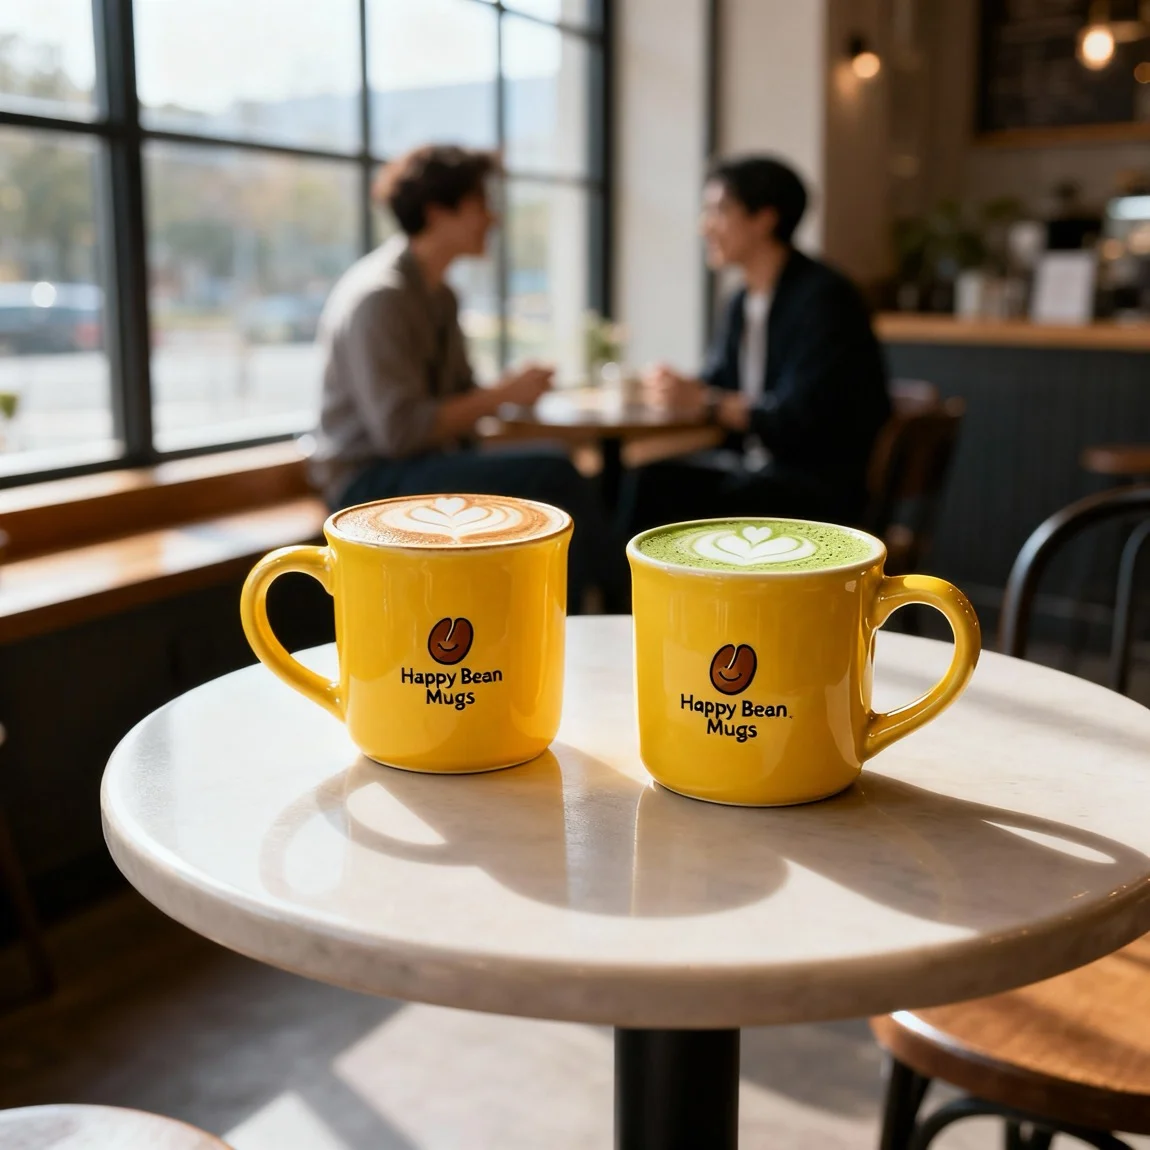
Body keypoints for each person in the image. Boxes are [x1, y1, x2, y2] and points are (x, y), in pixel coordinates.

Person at [310, 144, 603, 610]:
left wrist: (511, 393)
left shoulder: (439, 295)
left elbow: (463, 400)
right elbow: (400, 433)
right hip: (367, 482)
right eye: (480, 205)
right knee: (554, 473)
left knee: (561, 470)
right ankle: (587, 614)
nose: (493, 219)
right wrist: (501, 395)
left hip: (418, 466)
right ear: (437, 211)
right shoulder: (380, 298)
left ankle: (566, 612)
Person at [618, 155, 891, 536]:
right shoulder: (741, 302)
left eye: (719, 210)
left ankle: (628, 594)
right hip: (760, 470)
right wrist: (681, 390)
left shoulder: (824, 299)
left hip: (816, 485)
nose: (704, 226)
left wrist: (706, 401)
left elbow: (800, 418)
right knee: (644, 481)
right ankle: (622, 594)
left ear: (764, 219)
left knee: (668, 503)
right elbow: (719, 384)